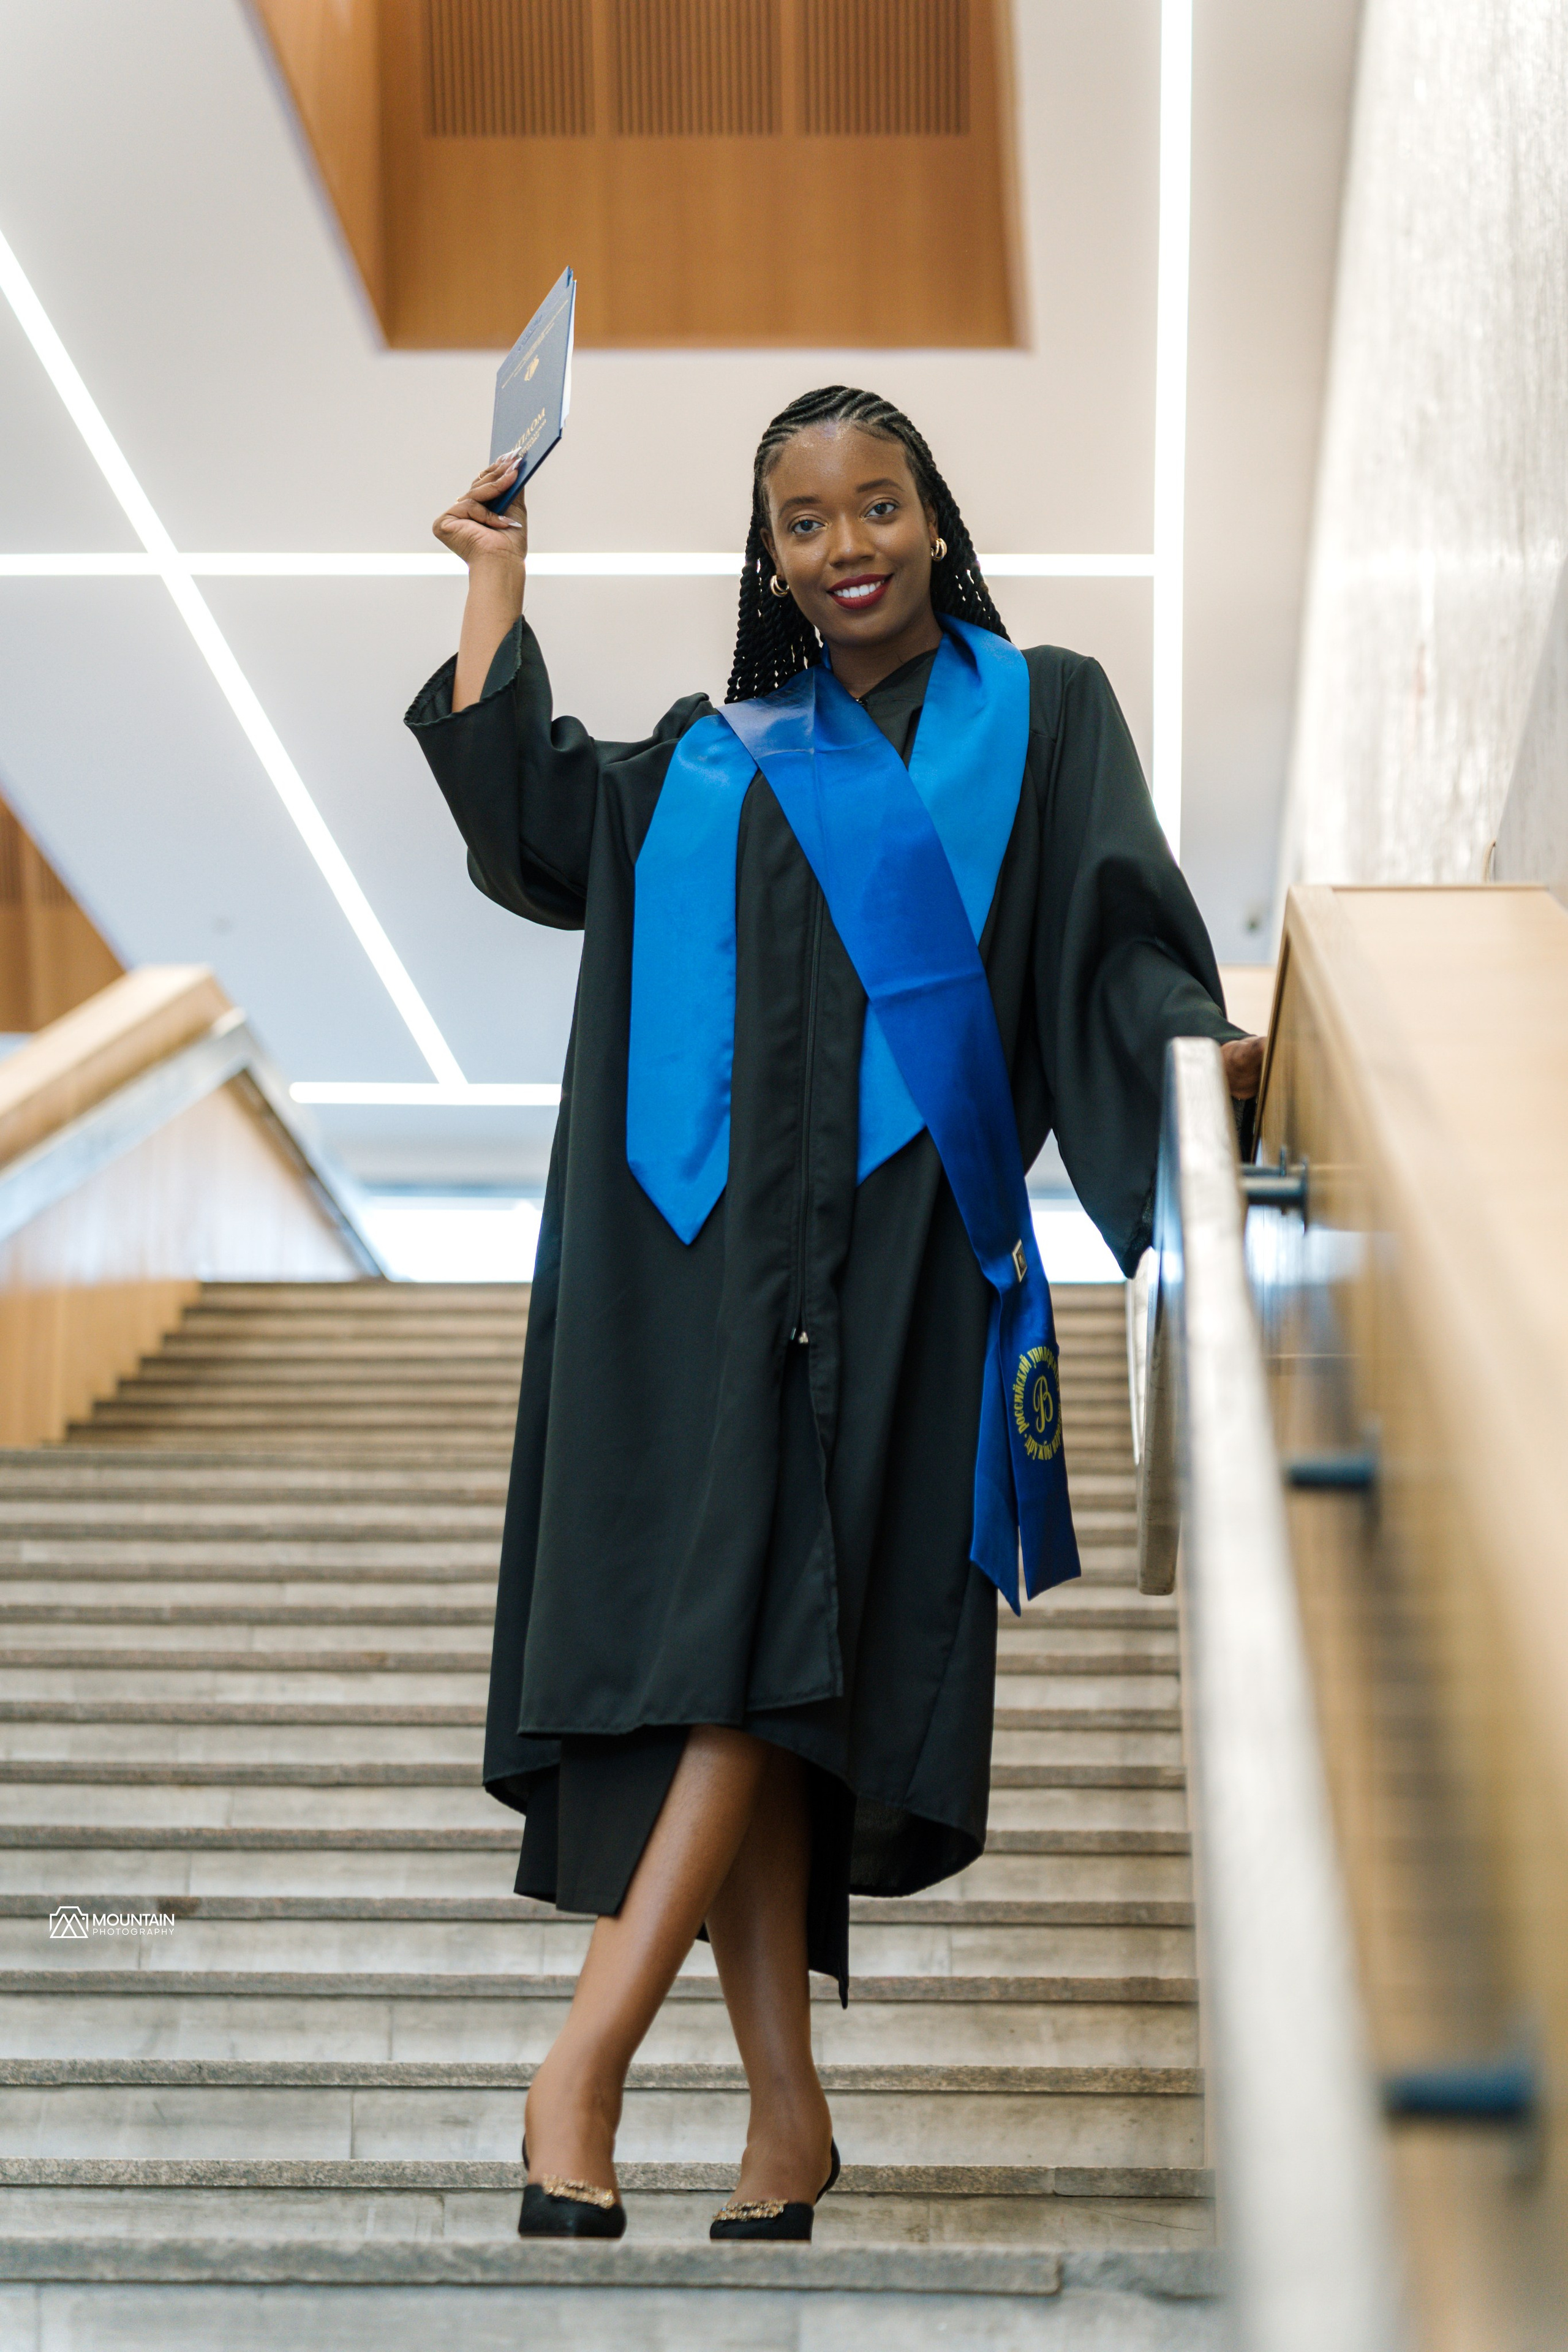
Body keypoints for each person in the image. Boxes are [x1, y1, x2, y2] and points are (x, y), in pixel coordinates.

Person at [405, 384, 1262, 2244]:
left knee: (767, 1645)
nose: (847, 545)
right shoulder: (715, 754)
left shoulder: (1045, 714)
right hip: (694, 1271)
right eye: (804, 522)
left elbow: (1112, 941)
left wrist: (1193, 1062)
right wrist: (495, 579)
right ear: (770, 558)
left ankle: (584, 2062)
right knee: (760, 1655)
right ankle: (785, 2120)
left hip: (900, 1264)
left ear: (933, 517)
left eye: (878, 505)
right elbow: (539, 826)